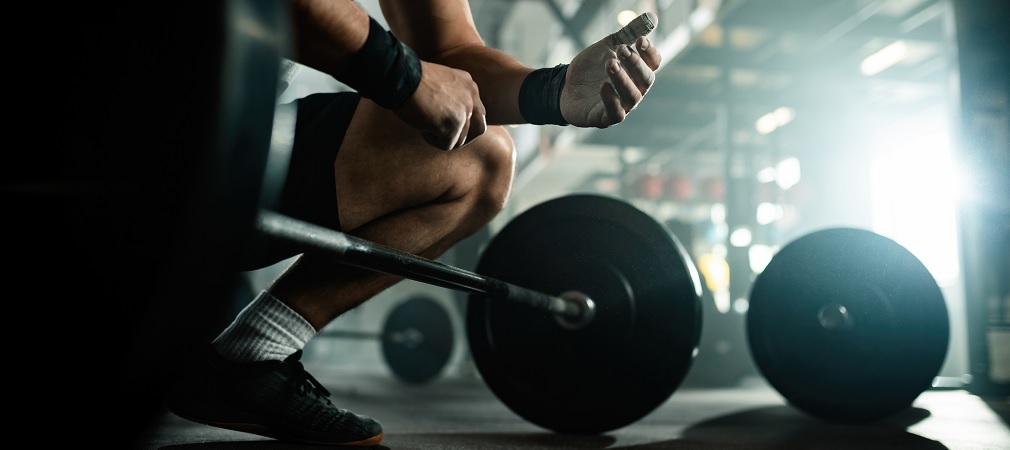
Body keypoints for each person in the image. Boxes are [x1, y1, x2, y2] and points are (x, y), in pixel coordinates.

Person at [166, 0, 662, 446]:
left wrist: (551, 90)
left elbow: (450, 52)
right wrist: (403, 77)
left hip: (230, 152)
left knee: (481, 160)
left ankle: (250, 357)